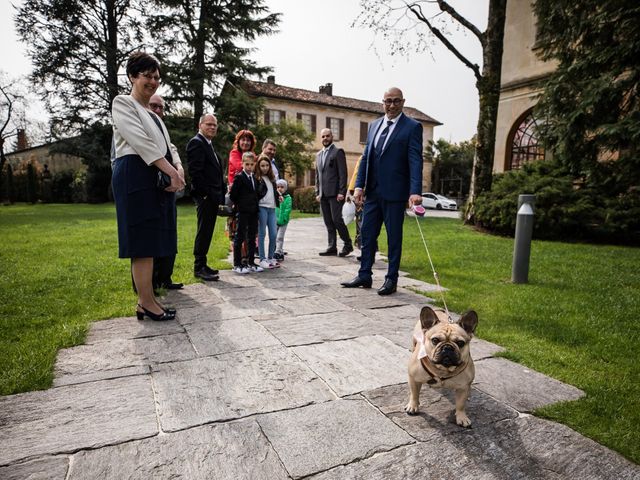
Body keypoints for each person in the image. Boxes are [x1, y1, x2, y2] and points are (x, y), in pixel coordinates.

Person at [111, 51, 185, 321]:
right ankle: (145, 302)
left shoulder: (152, 114)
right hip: (134, 175)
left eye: (156, 77)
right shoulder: (123, 103)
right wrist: (169, 171)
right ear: (132, 76)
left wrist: (178, 169)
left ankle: (149, 300)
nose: (153, 81)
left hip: (152, 175)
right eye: (147, 76)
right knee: (141, 241)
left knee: (152, 240)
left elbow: (168, 147)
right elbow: (141, 142)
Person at [341, 87, 423, 295]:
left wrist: (415, 191)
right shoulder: (374, 125)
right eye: (388, 101)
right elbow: (366, 157)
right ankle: (364, 274)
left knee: (394, 238)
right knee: (367, 234)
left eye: (396, 101)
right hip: (373, 192)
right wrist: (359, 186)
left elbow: (415, 160)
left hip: (396, 194)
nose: (392, 105)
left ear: (403, 102)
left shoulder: (412, 127)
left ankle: (391, 279)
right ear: (383, 103)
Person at [148, 94, 185, 291]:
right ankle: (149, 282)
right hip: (152, 188)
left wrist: (179, 168)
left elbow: (172, 150)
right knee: (152, 235)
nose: (157, 110)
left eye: (160, 107)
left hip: (168, 190)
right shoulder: (142, 126)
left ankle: (165, 277)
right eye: (153, 106)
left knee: (170, 233)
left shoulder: (163, 129)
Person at [186, 114, 225, 282]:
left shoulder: (209, 145)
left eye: (215, 125)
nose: (212, 127)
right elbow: (195, 173)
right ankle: (198, 267)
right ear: (200, 125)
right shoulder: (197, 143)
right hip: (205, 197)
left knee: (208, 231)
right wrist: (205, 194)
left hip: (213, 197)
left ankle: (203, 264)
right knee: (203, 231)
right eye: (208, 124)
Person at [316, 128, 353, 257]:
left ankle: (348, 244)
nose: (325, 138)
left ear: (332, 137)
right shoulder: (318, 155)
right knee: (328, 221)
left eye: (327, 136)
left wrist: (342, 191)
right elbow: (318, 175)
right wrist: (317, 192)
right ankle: (332, 247)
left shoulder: (338, 152)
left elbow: (343, 174)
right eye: (323, 136)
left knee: (337, 220)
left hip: (336, 194)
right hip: (323, 194)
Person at [229, 152, 262, 274]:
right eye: (246, 164)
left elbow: (256, 194)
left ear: (254, 165)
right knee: (240, 237)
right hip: (243, 212)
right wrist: (241, 204)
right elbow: (233, 195)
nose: (249, 167)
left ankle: (251, 262)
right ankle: (237, 264)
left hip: (253, 212)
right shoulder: (239, 178)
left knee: (252, 237)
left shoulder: (254, 178)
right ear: (242, 164)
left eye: (251, 164)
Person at [255, 154, 281, 269]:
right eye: (262, 166)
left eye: (266, 165)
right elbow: (258, 193)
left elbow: (273, 191)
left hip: (272, 208)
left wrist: (278, 196)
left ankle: (271, 257)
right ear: (258, 166)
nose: (265, 168)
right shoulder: (257, 179)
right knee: (262, 233)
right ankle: (262, 259)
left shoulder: (272, 178)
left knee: (274, 234)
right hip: (262, 207)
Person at [274, 179, 292, 261]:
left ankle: (277, 252)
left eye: (282, 187)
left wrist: (284, 218)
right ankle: (280, 252)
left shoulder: (288, 198)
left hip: (283, 222)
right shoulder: (274, 198)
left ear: (285, 188)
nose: (280, 189)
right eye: (278, 187)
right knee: (274, 237)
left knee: (280, 237)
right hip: (275, 221)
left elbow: (287, 209)